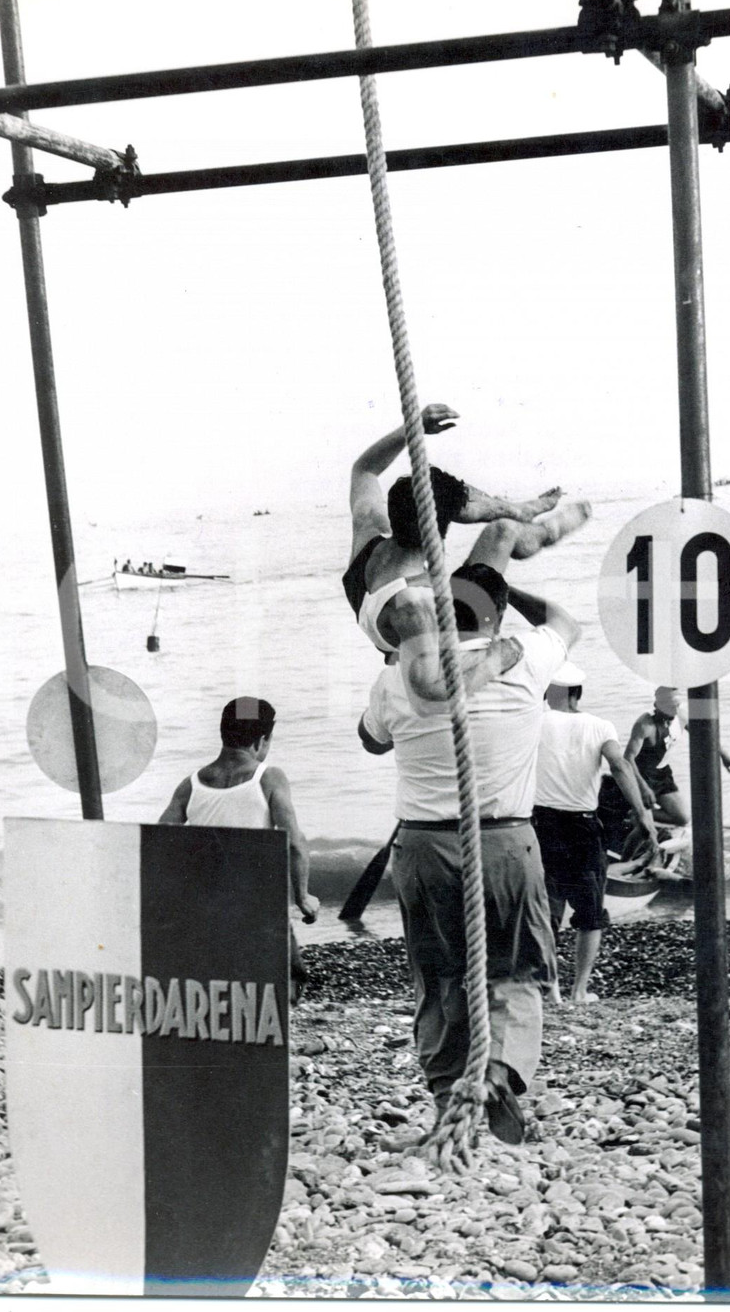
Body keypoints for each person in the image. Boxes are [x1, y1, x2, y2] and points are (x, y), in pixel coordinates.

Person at [358, 562, 580, 1144]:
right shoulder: (524, 656)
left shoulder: (402, 676)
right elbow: (564, 621)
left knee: (437, 976)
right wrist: (507, 594)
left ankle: (444, 1097)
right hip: (504, 840)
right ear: (497, 613)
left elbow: (370, 739)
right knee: (514, 969)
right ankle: (500, 1072)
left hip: (423, 845)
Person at [343, 404, 590, 702]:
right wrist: (497, 659)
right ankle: (532, 524)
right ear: (442, 531)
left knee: (497, 528)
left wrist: (413, 428)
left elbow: (365, 469)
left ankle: (517, 511)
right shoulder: (416, 605)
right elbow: (431, 688)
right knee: (505, 532)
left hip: (376, 598)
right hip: (437, 633)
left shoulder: (372, 525)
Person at [159, 697, 320, 1004]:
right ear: (261, 740)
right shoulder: (268, 778)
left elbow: (161, 839)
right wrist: (303, 898)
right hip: (257, 905)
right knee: (288, 977)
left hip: (206, 903)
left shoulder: (191, 784)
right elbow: (295, 842)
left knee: (219, 980)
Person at [533, 663, 658, 1005]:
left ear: (547, 692)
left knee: (548, 908)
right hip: (582, 825)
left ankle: (552, 989)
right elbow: (619, 766)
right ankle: (579, 990)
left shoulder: (533, 722)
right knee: (590, 912)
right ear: (578, 693)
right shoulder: (600, 726)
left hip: (539, 824)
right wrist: (645, 816)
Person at [598, 686, 730, 843]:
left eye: (677, 705)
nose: (674, 711)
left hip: (662, 773)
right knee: (645, 829)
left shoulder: (681, 715)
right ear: (657, 706)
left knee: (682, 817)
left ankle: (638, 815)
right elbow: (629, 758)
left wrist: (725, 756)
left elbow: (703, 735)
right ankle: (639, 817)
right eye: (670, 707)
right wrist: (644, 787)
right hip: (641, 775)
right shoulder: (645, 725)